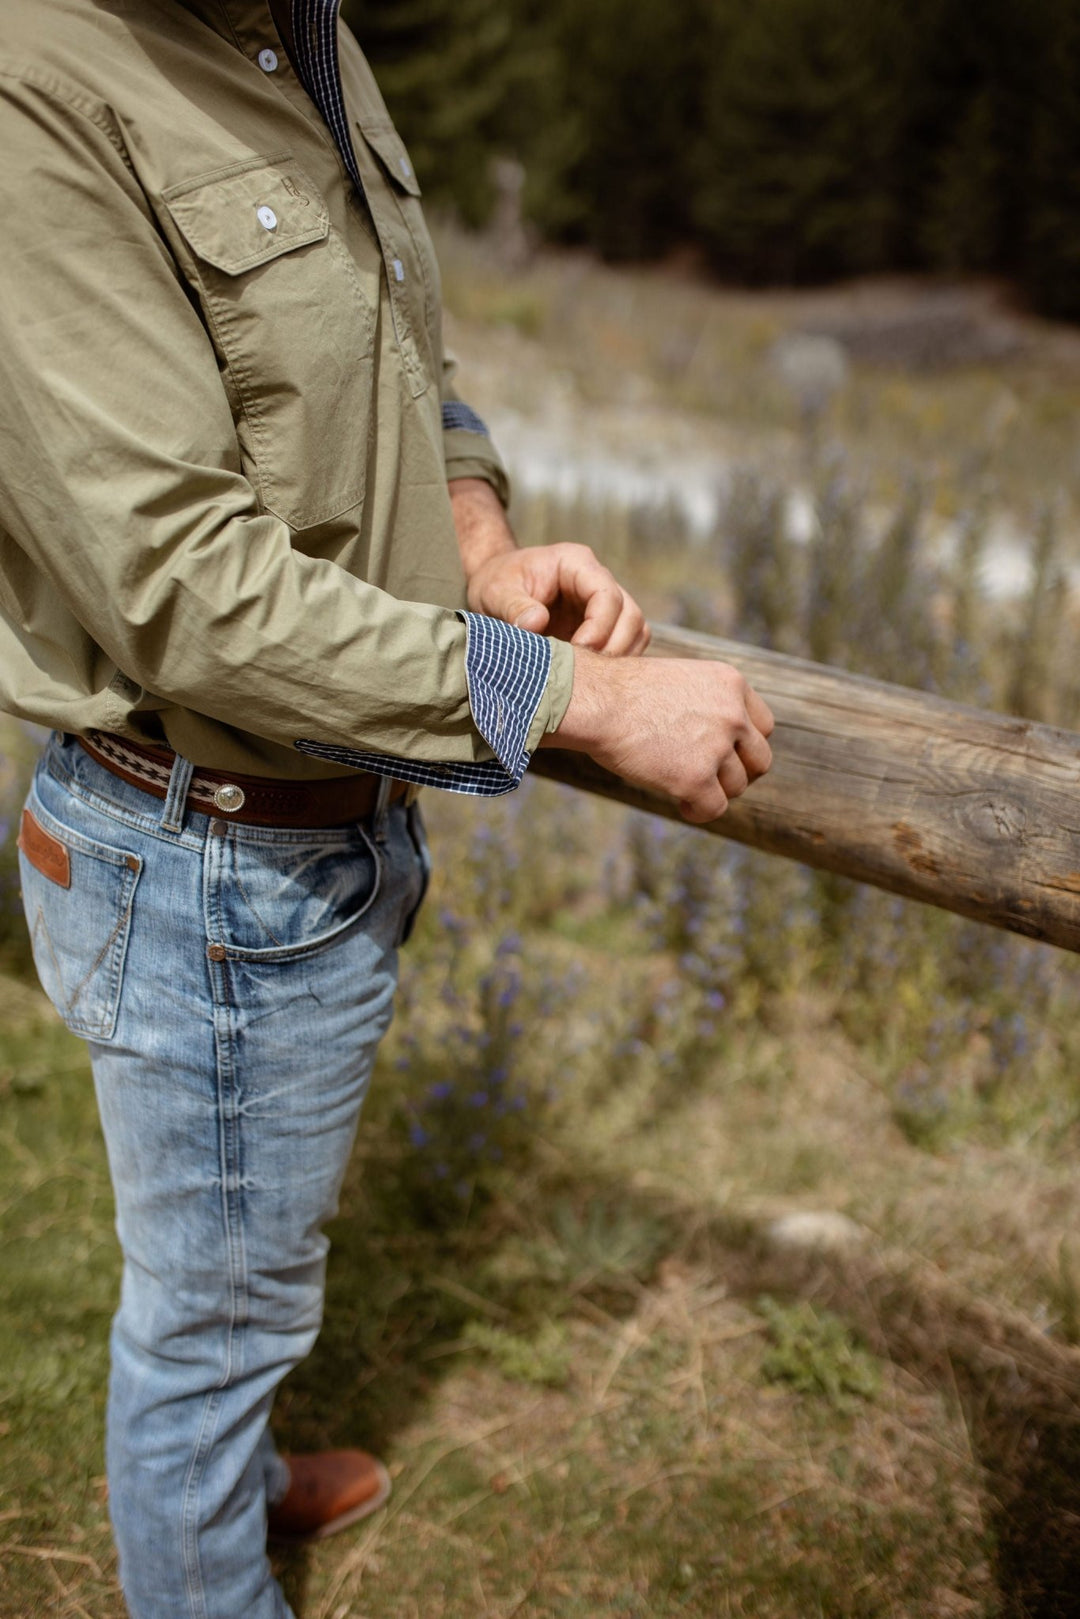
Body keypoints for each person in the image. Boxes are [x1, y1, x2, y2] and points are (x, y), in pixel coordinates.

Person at [1, 2, 774, 1615]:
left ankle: (236, 1465)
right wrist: (594, 702)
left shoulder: (306, 32)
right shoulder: (38, 80)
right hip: (201, 839)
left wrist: (482, 546)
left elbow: (395, 365)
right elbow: (184, 595)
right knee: (205, 1334)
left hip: (304, 826)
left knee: (243, 1266)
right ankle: (208, 1506)